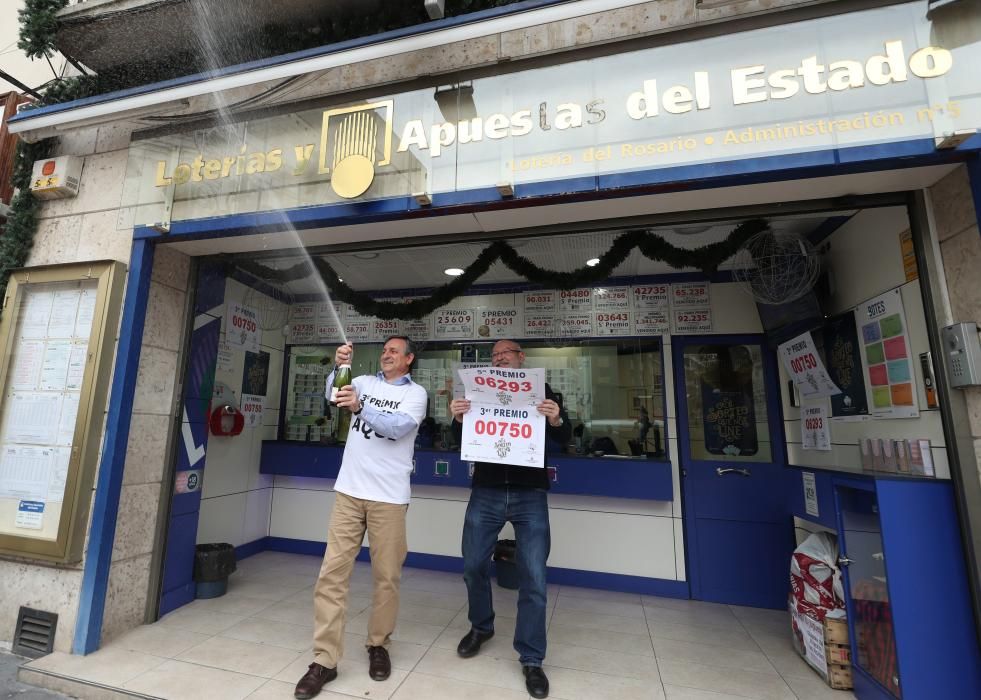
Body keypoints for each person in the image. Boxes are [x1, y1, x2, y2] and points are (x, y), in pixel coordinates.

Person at [294, 336, 428, 700]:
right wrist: (340, 367)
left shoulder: (416, 394)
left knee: (387, 577)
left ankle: (378, 644)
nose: (386, 354)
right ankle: (325, 659)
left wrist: (361, 409)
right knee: (331, 575)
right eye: (384, 350)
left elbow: (397, 428)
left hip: (389, 499)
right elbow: (336, 396)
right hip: (349, 493)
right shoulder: (363, 382)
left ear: (409, 360)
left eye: (394, 351)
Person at [449, 340, 571, 699]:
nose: (499, 358)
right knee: (472, 565)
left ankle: (532, 658)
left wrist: (556, 417)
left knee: (534, 576)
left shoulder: (544, 391)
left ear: (522, 358)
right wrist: (457, 418)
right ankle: (481, 626)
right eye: (495, 355)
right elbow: (461, 439)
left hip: (529, 493)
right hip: (485, 489)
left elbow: (565, 436)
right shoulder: (478, 390)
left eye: (507, 353)